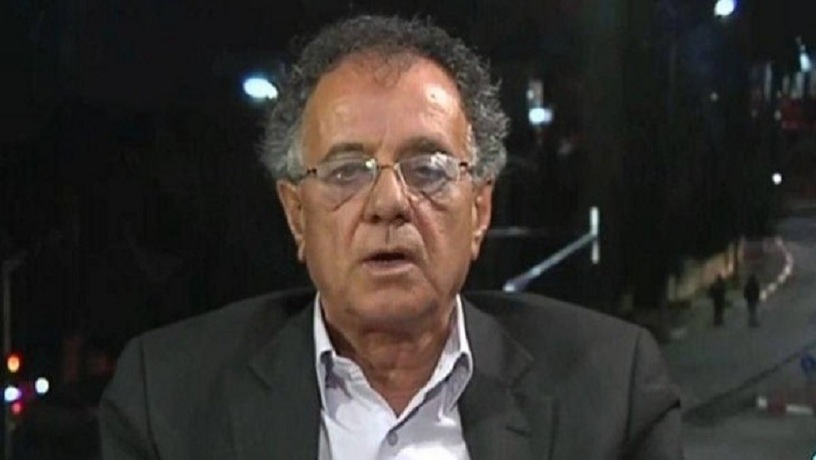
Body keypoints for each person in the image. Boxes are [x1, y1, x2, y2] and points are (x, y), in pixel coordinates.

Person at [99, 14, 682, 459]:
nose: (388, 204)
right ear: (297, 215)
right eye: (346, 171)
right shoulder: (166, 400)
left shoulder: (613, 390)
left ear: (480, 210)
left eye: (427, 168)